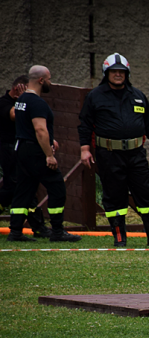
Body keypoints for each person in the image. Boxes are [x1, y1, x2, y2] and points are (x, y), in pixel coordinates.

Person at [78, 53, 149, 248]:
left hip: (136, 153)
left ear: (127, 73)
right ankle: (120, 236)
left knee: (146, 195)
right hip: (109, 154)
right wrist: (85, 149)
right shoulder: (95, 96)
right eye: (114, 72)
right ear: (107, 73)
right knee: (114, 195)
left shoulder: (137, 95)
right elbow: (85, 125)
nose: (118, 75)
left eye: (122, 72)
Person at [7, 66, 80, 242]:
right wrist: (49, 154)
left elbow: (25, 125)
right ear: (41, 80)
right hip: (36, 152)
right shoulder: (38, 102)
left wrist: (49, 140)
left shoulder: (21, 100)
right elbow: (40, 129)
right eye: (49, 79)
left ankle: (15, 231)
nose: (50, 83)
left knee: (24, 190)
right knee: (57, 187)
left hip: (22, 149)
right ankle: (57, 231)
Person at [0, 75, 50, 237]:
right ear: (17, 90)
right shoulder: (4, 103)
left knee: (17, 188)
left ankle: (36, 227)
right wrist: (23, 100)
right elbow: (15, 115)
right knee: (18, 188)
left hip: (21, 150)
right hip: (8, 150)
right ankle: (38, 227)